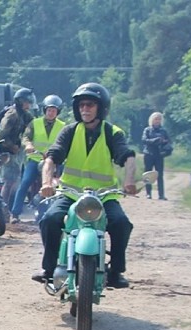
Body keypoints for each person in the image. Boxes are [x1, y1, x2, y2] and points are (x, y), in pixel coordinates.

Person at [33, 82, 137, 289]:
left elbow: (128, 156)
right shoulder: (69, 131)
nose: (85, 109)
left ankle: (116, 272)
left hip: (103, 196)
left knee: (121, 223)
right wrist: (46, 182)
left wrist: (129, 181)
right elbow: (52, 158)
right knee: (50, 219)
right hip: (71, 193)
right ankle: (50, 269)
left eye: (90, 105)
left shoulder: (112, 133)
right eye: (81, 105)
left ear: (101, 107)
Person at [10, 94, 65, 222]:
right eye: (49, 110)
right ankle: (15, 213)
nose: (51, 113)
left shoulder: (63, 126)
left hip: (54, 161)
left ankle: (55, 213)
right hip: (35, 159)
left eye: (54, 110)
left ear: (58, 112)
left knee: (61, 185)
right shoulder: (35, 123)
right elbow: (25, 137)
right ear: (44, 110)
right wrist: (28, 145)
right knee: (25, 182)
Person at [0, 87, 36, 220]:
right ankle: (3, 211)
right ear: (20, 101)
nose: (29, 105)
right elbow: (0, 136)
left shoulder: (26, 115)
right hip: (8, 153)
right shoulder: (12, 115)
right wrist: (11, 146)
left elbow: (34, 127)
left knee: (17, 182)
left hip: (19, 154)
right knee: (9, 182)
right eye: (27, 102)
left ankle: (12, 211)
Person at [141, 111, 171, 200]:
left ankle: (161, 195)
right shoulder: (147, 130)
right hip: (149, 154)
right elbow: (144, 140)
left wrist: (164, 142)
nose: (157, 121)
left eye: (159, 119)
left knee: (160, 175)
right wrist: (155, 140)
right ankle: (148, 193)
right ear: (152, 120)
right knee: (148, 174)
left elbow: (168, 141)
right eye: (156, 119)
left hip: (159, 154)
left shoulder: (163, 131)